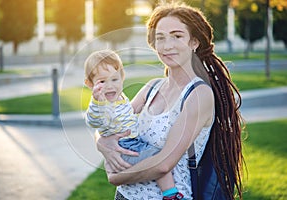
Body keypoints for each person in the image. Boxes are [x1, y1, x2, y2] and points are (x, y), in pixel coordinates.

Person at [95, 2, 245, 200]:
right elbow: (112, 124)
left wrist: (117, 176)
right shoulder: (151, 88)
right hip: (124, 196)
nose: (167, 46)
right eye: (160, 38)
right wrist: (100, 142)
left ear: (194, 42)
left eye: (177, 36)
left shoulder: (199, 95)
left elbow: (164, 163)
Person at [84, 49, 187, 199]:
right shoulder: (100, 105)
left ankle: (170, 193)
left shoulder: (120, 97)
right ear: (89, 83)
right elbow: (94, 121)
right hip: (125, 148)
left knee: (157, 157)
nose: (110, 86)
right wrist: (98, 102)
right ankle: (171, 194)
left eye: (114, 79)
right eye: (102, 81)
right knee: (158, 158)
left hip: (134, 143)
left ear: (122, 77)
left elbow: (128, 115)